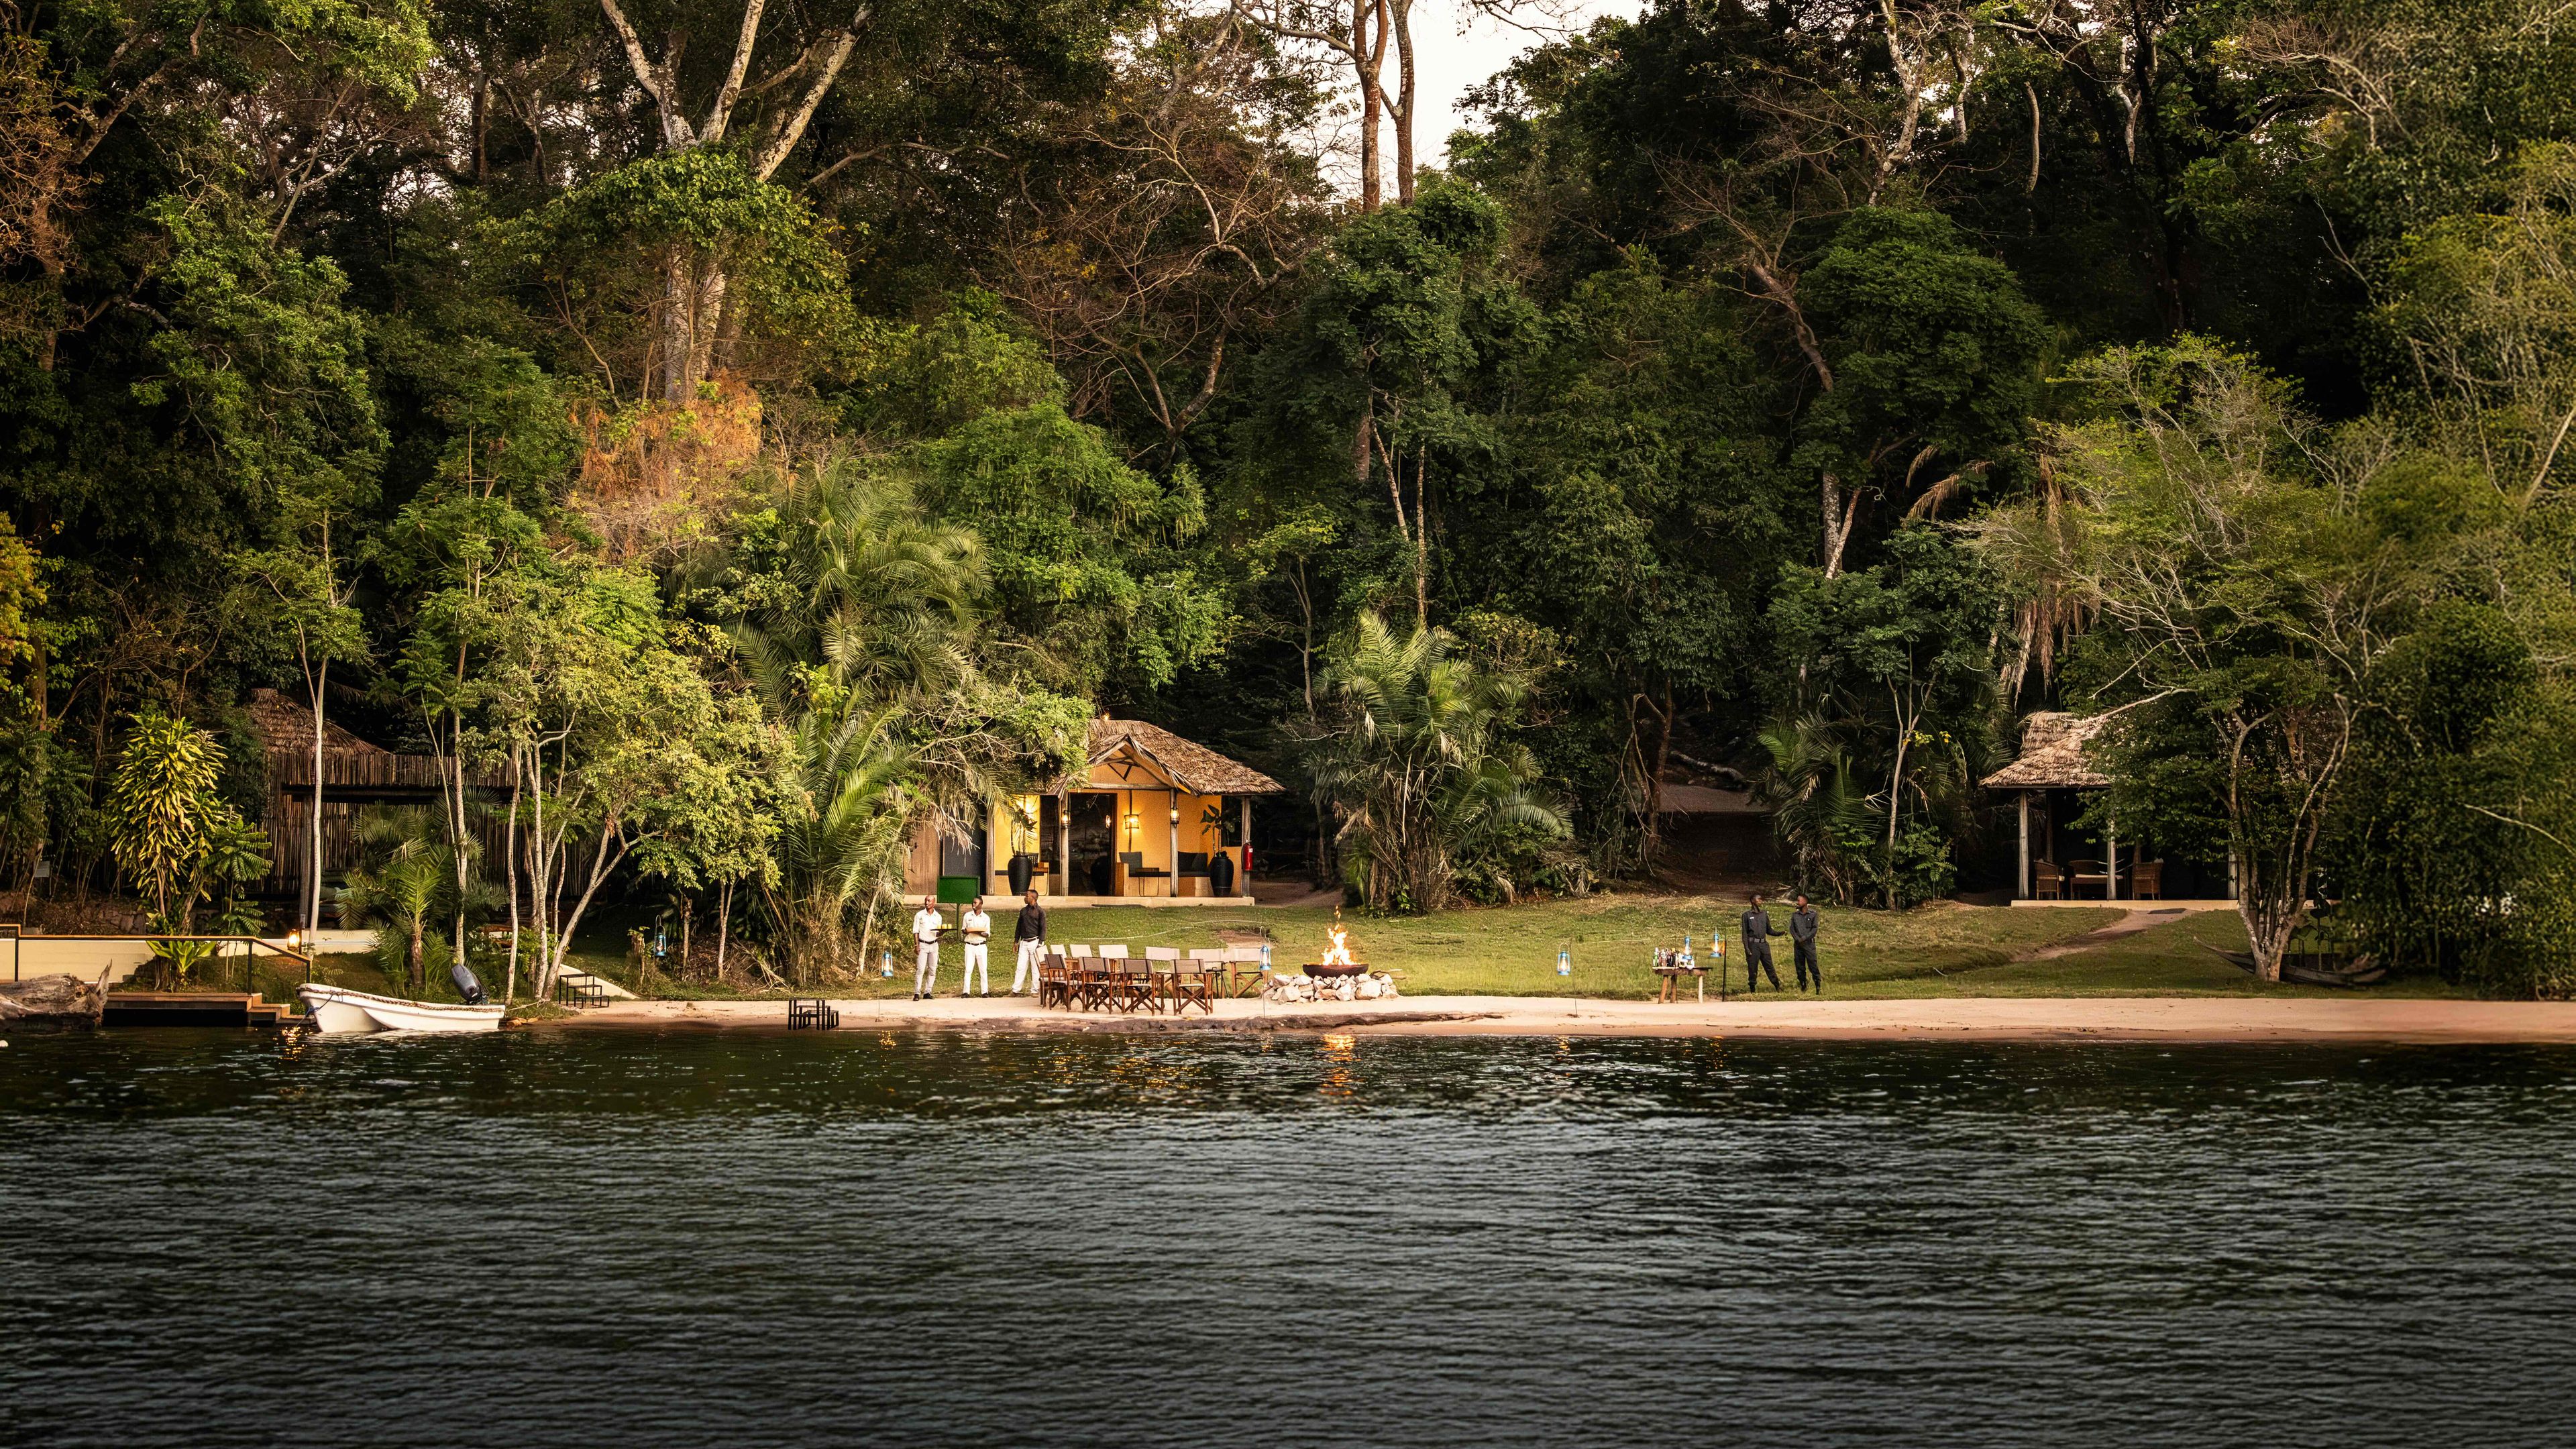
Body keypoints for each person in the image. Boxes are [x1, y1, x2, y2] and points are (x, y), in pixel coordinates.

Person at [1740, 894, 1784, 993]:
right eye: (1759, 899)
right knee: (1752, 968)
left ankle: (1777, 985)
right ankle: (1752, 989)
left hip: (1764, 945)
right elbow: (1745, 934)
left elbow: (1769, 930)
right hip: (1753, 945)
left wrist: (1779, 933)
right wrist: (1747, 948)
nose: (1761, 901)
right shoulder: (1746, 915)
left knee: (1769, 966)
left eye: (1761, 899)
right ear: (1753, 901)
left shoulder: (1764, 914)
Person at [1010, 888, 1049, 995]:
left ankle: (1035, 990)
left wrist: (1041, 942)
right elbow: (1019, 926)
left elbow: (1043, 927)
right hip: (1024, 942)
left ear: (1033, 898)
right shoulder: (1023, 911)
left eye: (1027, 896)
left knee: (1035, 967)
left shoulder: (1040, 911)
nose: (1025, 897)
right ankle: (1015, 990)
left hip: (1034, 942)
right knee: (1020, 967)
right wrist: (1016, 941)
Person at [910, 896, 944, 1000]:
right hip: (923, 944)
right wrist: (916, 945)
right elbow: (916, 931)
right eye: (926, 900)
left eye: (929, 901)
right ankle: (917, 992)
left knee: (933, 969)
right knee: (920, 969)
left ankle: (928, 992)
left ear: (934, 903)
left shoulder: (938, 916)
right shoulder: (920, 915)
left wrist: (942, 932)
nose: (927, 902)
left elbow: (938, 933)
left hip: (933, 945)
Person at [959, 896, 992, 996]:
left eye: (976, 903)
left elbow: (987, 933)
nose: (973, 905)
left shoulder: (986, 917)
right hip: (970, 945)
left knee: (983, 970)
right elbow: (964, 929)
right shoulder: (967, 916)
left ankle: (985, 992)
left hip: (981, 945)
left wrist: (978, 932)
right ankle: (966, 992)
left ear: (981, 905)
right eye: (973, 903)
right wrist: (966, 931)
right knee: (968, 969)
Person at [1789, 894, 1822, 993]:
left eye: (1799, 900)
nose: (1797, 902)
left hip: (1809, 945)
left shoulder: (1813, 914)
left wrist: (1805, 938)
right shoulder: (1795, 915)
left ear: (1805, 902)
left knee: (1813, 966)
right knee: (1799, 967)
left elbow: (1814, 929)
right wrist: (1797, 939)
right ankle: (1803, 984)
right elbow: (1792, 929)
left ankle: (1818, 986)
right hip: (1798, 945)